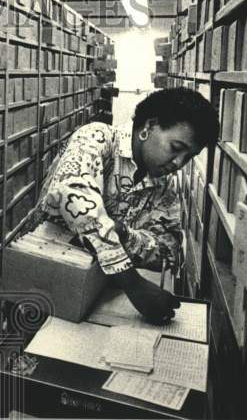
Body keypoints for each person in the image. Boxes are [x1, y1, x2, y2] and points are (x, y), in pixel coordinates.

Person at [34, 87, 218, 324]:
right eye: (176, 149)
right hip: (45, 276)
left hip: (97, 293)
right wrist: (133, 283)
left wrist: (126, 235)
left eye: (188, 157)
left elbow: (170, 251)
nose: (179, 163)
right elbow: (73, 193)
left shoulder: (165, 186)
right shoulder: (97, 137)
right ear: (149, 126)